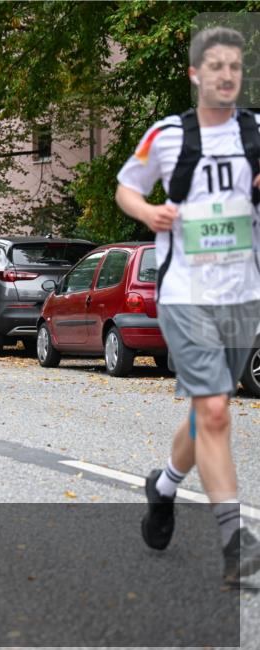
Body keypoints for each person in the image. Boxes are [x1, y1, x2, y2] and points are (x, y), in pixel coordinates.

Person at [116, 26, 260, 585]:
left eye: (235, 67)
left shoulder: (255, 133)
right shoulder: (168, 135)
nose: (226, 75)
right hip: (185, 296)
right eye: (216, 66)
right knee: (217, 412)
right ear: (196, 74)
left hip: (242, 295)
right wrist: (148, 213)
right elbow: (127, 186)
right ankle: (235, 543)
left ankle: (165, 485)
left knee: (208, 412)